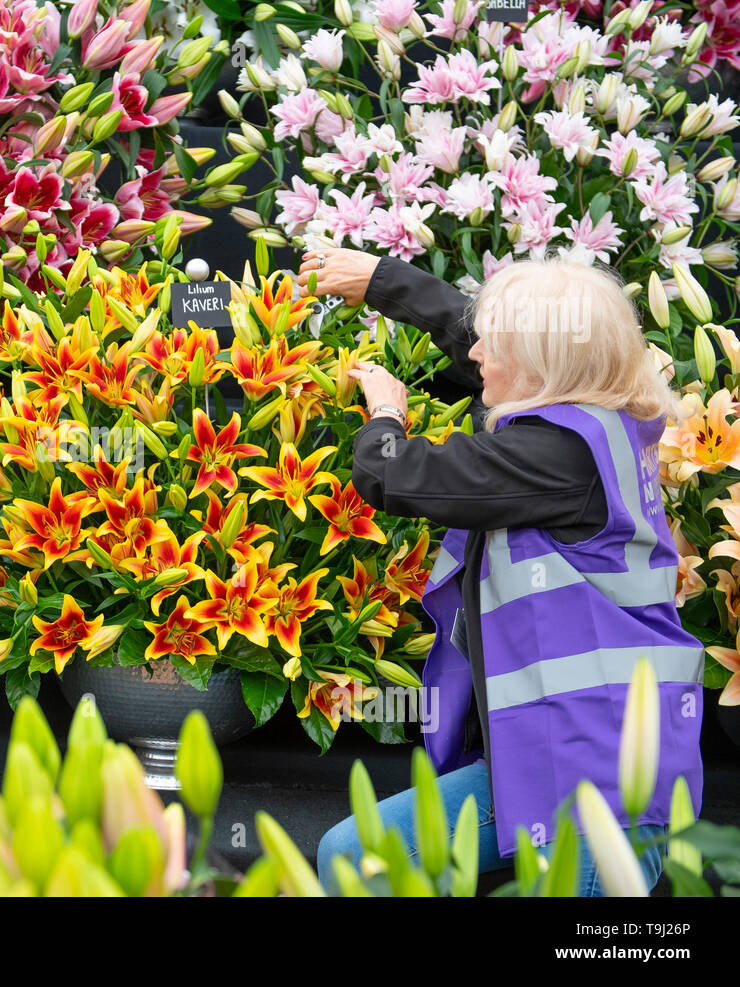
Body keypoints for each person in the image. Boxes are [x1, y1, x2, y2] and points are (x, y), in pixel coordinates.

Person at [297, 246, 706, 896]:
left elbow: (392, 473)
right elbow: (480, 343)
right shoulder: (601, 423)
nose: (476, 353)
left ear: (541, 362)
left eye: (497, 340)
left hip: (598, 780)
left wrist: (385, 412)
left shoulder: (552, 454)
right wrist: (381, 281)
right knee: (354, 855)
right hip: (543, 752)